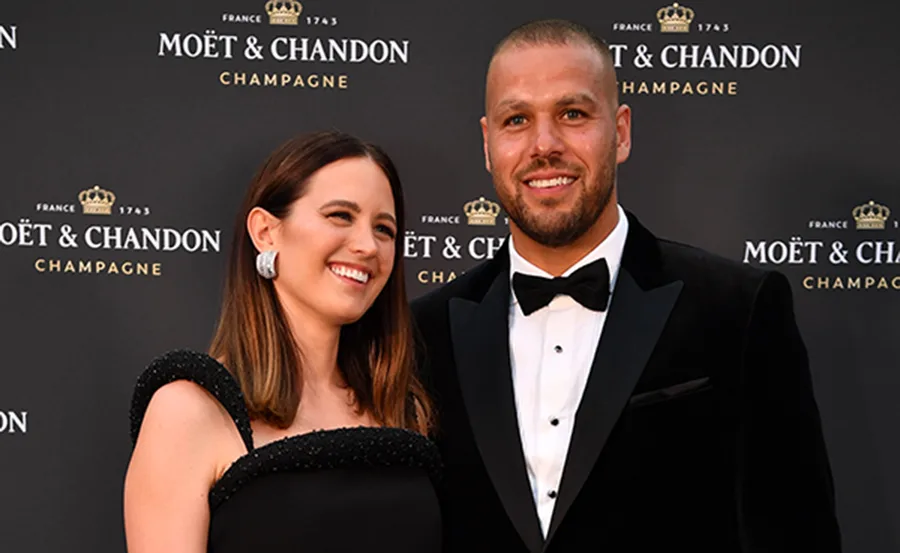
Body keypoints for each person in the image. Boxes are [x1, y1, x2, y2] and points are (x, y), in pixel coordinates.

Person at [410, 19, 841, 553]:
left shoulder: (739, 308)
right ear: (487, 143)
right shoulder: (424, 331)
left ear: (622, 131)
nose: (544, 145)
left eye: (572, 114)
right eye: (517, 119)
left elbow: (796, 530)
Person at [124, 130, 441, 553]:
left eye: (384, 228)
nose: (368, 245)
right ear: (266, 232)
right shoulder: (189, 411)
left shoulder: (402, 406)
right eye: (340, 216)